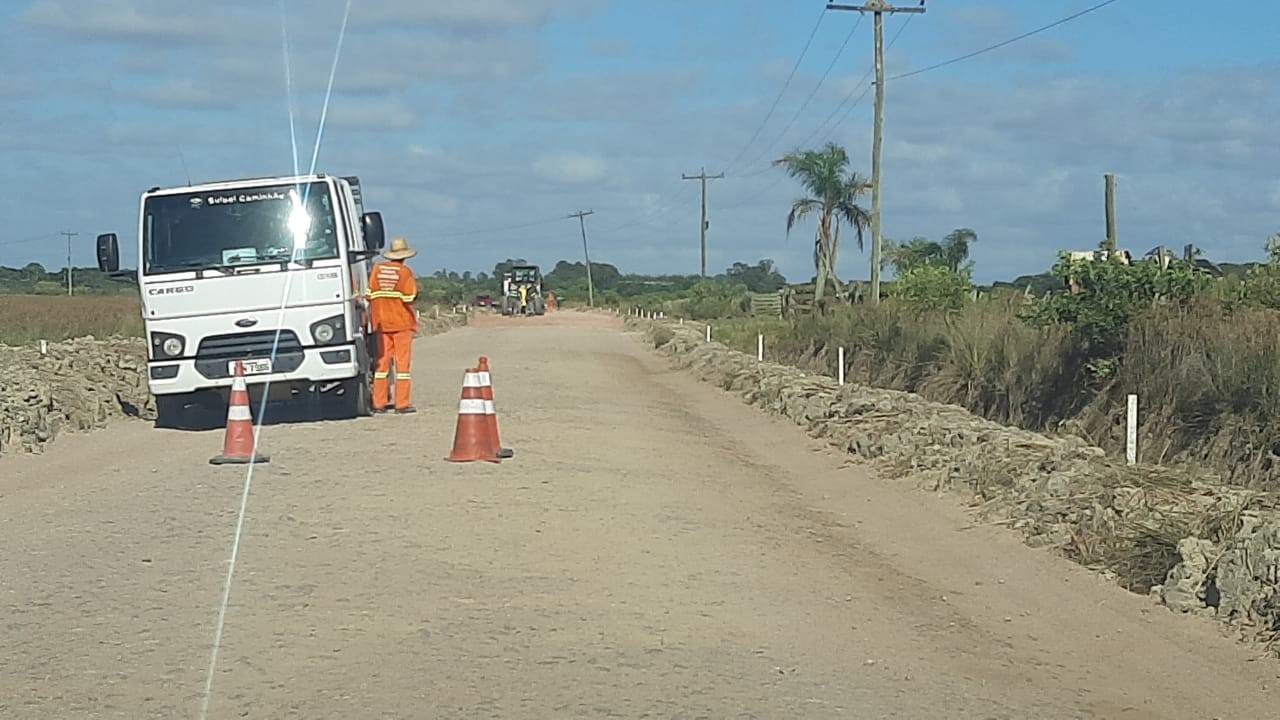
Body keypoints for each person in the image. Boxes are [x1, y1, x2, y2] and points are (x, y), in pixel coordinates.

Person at [366, 236, 419, 414]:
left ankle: (378, 403)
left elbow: (369, 294)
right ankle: (401, 404)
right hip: (401, 323)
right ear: (405, 256)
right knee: (402, 366)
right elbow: (409, 297)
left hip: (380, 324)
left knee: (381, 365)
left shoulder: (377, 269)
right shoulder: (405, 272)